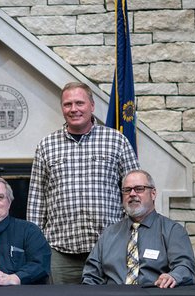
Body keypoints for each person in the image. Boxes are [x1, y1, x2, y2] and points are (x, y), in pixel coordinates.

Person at [27, 81, 140, 284]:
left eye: (79, 103)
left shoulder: (117, 141)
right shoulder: (46, 146)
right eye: (67, 104)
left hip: (110, 250)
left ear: (92, 106)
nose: (73, 109)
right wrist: (37, 246)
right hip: (60, 253)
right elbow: (36, 202)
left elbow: (135, 192)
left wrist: (130, 236)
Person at [82, 169, 195, 288]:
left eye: (139, 189)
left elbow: (185, 267)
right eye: (127, 190)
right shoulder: (109, 233)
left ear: (153, 193)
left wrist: (173, 276)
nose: (132, 194)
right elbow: (91, 275)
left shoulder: (173, 231)